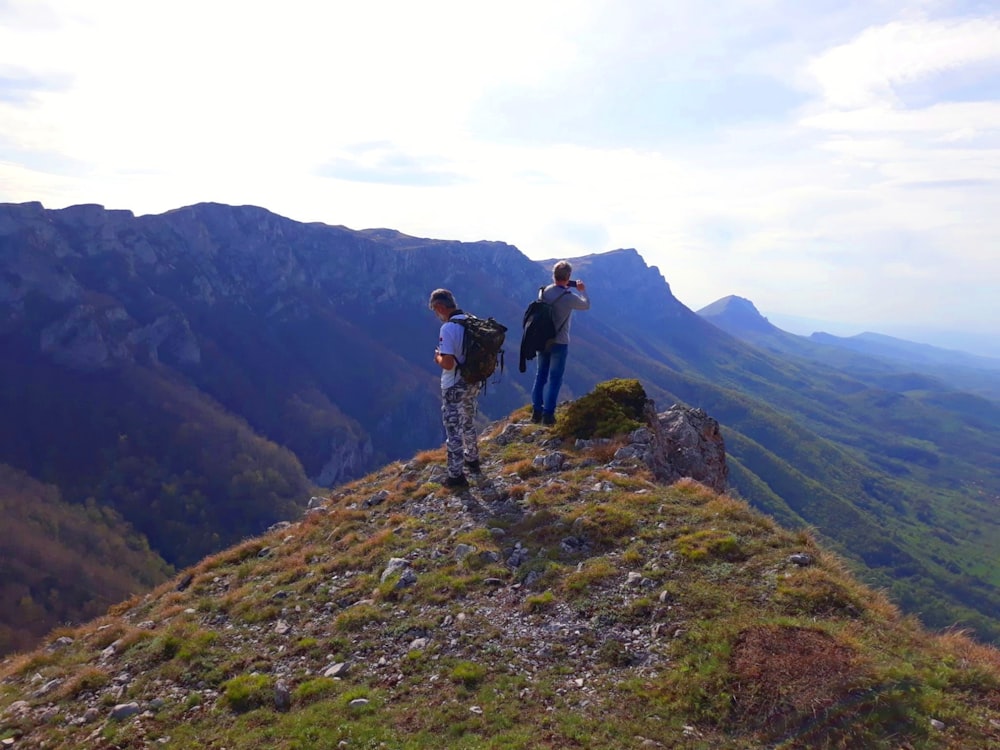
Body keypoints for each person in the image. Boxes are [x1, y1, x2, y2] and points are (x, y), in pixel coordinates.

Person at [429, 288, 481, 489]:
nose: (436, 315)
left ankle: (456, 476)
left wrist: (438, 357)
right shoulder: (471, 320)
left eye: (435, 310)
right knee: (467, 420)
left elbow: (449, 363)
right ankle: (473, 459)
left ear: (440, 307)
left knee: (453, 429)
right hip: (472, 380)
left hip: (453, 385)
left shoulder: (448, 329)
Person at [531, 261, 590, 425]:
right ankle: (548, 416)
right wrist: (582, 291)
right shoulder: (569, 298)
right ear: (568, 277)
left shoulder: (543, 292)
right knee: (555, 379)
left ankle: (536, 412)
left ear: (553, 275)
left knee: (540, 376)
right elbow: (586, 305)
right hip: (560, 342)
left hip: (542, 340)